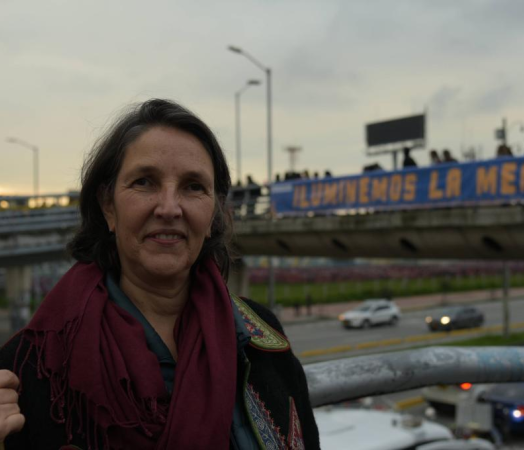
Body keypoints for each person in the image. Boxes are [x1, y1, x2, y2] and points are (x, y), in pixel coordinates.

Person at [0, 99, 319, 449]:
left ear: (214, 212)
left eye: (194, 186)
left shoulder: (262, 338)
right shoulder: (31, 366)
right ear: (108, 206)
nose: (169, 208)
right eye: (144, 182)